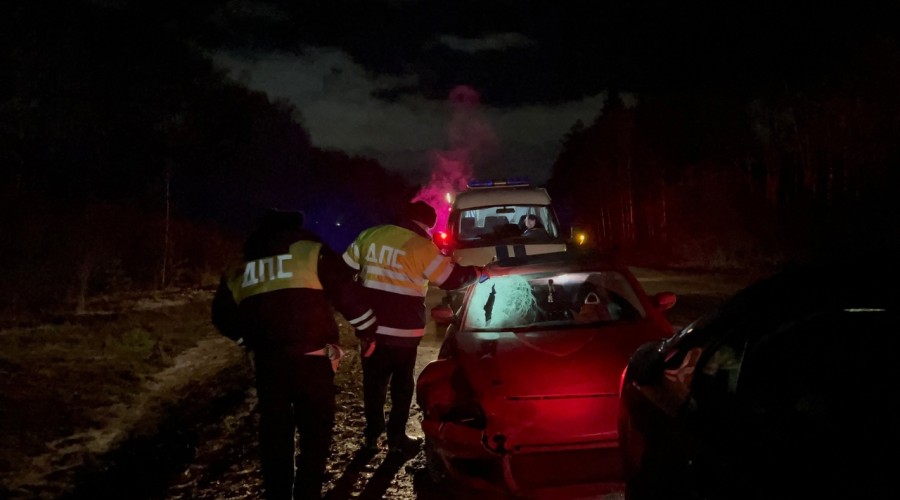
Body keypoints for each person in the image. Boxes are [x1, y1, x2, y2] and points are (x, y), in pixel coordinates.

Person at [212, 209, 378, 499]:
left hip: (268, 363)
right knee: (316, 431)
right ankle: (307, 492)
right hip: (313, 359)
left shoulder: (242, 263)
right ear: (295, 227)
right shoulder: (310, 251)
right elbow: (346, 292)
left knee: (275, 431)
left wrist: (247, 341)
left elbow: (222, 316)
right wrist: (367, 330)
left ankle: (278, 493)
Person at [342, 200, 484, 455]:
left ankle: (372, 437)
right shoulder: (421, 246)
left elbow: (343, 272)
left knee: (373, 384)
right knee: (401, 384)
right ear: (425, 224)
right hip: (403, 332)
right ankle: (397, 439)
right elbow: (450, 279)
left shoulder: (370, 235)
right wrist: (478, 272)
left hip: (370, 327)